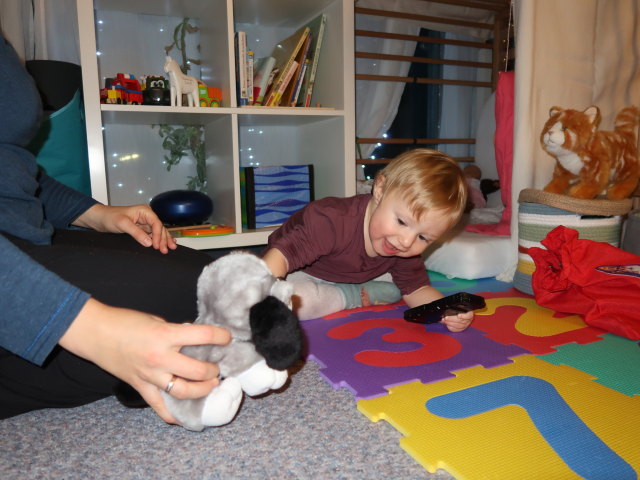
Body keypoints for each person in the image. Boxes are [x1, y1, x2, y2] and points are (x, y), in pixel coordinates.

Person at [0, 33, 230, 422]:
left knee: (208, 276)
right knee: (190, 303)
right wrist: (90, 328)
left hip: (25, 233)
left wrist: (98, 214)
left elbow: (17, 168)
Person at [263, 148, 475, 332]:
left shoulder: (401, 246)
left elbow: (417, 290)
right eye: (402, 221)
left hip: (353, 271)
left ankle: (356, 289)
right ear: (380, 189)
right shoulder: (330, 221)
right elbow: (281, 258)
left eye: (423, 237)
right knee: (297, 303)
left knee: (400, 287)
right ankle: (352, 295)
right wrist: (257, 295)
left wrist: (447, 309)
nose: (407, 242)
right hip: (300, 268)